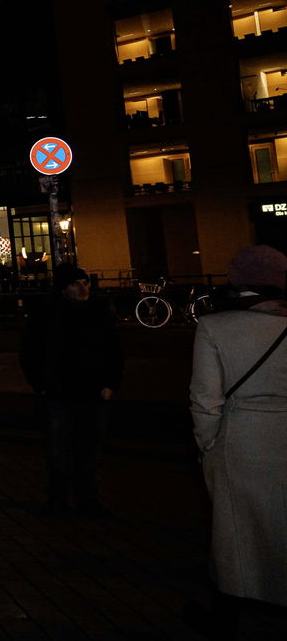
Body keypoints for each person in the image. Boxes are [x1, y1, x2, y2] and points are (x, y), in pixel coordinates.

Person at [187, 245, 287, 636]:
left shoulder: (215, 328)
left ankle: (231, 611)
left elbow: (205, 401)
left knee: (236, 533)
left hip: (241, 440)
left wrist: (207, 445)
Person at [20, 263, 123, 516]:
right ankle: (60, 499)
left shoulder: (99, 312)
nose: (83, 288)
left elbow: (115, 350)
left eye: (86, 283)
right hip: (59, 393)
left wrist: (110, 384)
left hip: (92, 392)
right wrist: (42, 386)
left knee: (89, 450)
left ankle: (87, 499)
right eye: (76, 284)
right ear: (63, 289)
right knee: (59, 451)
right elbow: (29, 352)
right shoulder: (46, 314)